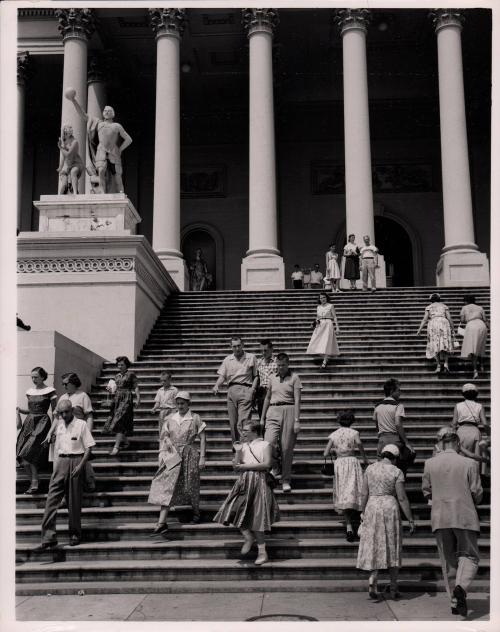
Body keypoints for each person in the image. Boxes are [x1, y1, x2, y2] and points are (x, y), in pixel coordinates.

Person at [422, 431, 483, 617]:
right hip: (464, 514)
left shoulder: (430, 463)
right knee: (470, 555)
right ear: (457, 443)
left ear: (441, 443)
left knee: (448, 560)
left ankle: (454, 600)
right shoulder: (470, 463)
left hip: (440, 516)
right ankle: (461, 587)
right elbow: (476, 493)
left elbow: (426, 490)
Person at [214, 420, 280, 566]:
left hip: (259, 482)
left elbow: (267, 464)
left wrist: (245, 466)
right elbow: (236, 467)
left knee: (258, 516)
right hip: (244, 482)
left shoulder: (265, 445)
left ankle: (263, 552)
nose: (242, 432)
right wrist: (238, 452)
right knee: (233, 509)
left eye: (245, 430)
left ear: (254, 431)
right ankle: (248, 537)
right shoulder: (242, 446)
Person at [356, 444, 415, 600]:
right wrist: (410, 518)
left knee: (375, 543)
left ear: (382, 455)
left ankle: (372, 579)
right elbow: (402, 497)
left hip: (372, 506)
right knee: (392, 544)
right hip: (390, 507)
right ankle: (394, 588)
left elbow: (364, 493)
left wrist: (362, 512)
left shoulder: (370, 469)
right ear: (394, 458)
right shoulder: (396, 471)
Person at [37, 400, 95, 548]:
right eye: (61, 413)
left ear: (72, 410)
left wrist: (81, 466)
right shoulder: (60, 425)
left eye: (66, 412)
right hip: (61, 462)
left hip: (76, 461)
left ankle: (75, 534)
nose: (63, 415)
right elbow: (57, 448)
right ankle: (48, 537)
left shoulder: (81, 424)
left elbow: (89, 447)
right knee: (51, 500)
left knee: (74, 502)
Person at [148, 391, 206, 531]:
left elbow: (203, 438)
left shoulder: (195, 418)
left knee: (191, 483)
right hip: (172, 455)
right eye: (178, 403)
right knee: (167, 484)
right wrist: (162, 454)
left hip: (189, 453)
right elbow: (164, 437)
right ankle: (161, 522)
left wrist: (203, 457)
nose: (180, 406)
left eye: (183, 403)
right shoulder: (169, 418)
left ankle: (196, 512)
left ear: (188, 404)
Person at [67, 90, 132, 194]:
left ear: (113, 114)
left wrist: (120, 149)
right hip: (101, 151)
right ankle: (102, 192)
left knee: (117, 175)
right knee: (101, 171)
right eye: (105, 111)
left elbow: (128, 139)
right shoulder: (98, 123)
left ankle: (121, 192)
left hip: (114, 152)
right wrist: (74, 100)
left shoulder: (117, 126)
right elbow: (83, 115)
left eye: (109, 111)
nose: (106, 112)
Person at [44, 372, 96, 492]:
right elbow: (57, 417)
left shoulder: (83, 396)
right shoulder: (62, 397)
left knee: (81, 457)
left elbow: (89, 416)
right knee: (60, 459)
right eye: (63, 384)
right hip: (62, 432)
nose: (64, 386)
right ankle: (63, 488)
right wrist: (50, 432)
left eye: (66, 383)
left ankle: (89, 480)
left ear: (73, 383)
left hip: (77, 430)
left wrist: (88, 432)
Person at [323, 410, 368, 541]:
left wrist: (335, 452)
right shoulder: (354, 433)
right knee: (356, 490)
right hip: (352, 462)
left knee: (343, 492)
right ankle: (361, 522)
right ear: (351, 421)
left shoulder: (334, 434)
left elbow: (325, 453)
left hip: (340, 464)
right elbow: (359, 443)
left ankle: (348, 526)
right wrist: (364, 458)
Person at [260, 352, 301, 493]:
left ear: (288, 364)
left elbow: (297, 401)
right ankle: (275, 466)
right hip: (273, 410)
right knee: (268, 443)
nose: (280, 368)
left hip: (289, 410)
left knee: (286, 448)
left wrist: (297, 420)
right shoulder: (272, 377)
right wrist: (262, 417)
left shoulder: (295, 378)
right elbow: (267, 398)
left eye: (283, 365)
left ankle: (286, 479)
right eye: (278, 365)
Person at [16, 366, 57, 494]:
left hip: (43, 422)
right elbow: (31, 409)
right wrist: (20, 410)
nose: (33, 379)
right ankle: (33, 481)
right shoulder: (30, 391)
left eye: (36, 377)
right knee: (21, 454)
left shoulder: (50, 391)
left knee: (29, 452)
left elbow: (55, 412)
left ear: (43, 377)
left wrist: (54, 430)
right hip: (29, 422)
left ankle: (34, 483)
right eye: (32, 377)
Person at [213, 337, 258, 443]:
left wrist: (252, 390)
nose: (237, 348)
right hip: (231, 391)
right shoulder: (228, 359)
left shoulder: (251, 357)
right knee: (233, 424)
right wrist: (216, 385)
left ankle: (244, 449)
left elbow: (256, 376)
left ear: (242, 345)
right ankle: (237, 449)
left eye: (239, 345)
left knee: (242, 422)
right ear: (231, 347)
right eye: (234, 346)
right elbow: (222, 376)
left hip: (245, 388)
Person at [373, 378, 414, 475]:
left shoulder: (377, 406)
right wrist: (406, 442)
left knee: (381, 469)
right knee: (398, 469)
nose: (400, 393)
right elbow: (398, 424)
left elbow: (376, 423)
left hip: (382, 440)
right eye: (398, 390)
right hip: (395, 439)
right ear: (392, 391)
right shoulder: (398, 406)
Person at [103, 356, 140, 455]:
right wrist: (110, 390)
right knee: (118, 421)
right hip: (117, 399)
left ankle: (116, 446)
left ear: (126, 365)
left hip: (127, 398)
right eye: (118, 364)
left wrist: (138, 398)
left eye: (122, 364)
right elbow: (114, 390)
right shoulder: (117, 376)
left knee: (119, 420)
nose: (120, 366)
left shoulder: (131, 374)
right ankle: (126, 441)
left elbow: (136, 387)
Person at [416, 293, 455, 373]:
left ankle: (438, 365)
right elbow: (449, 317)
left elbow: (425, 319)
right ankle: (446, 363)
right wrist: (453, 329)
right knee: (445, 342)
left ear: (431, 300)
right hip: (444, 323)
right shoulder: (444, 306)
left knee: (434, 343)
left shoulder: (429, 307)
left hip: (433, 323)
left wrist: (419, 329)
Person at [451, 383, 489, 464]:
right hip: (475, 431)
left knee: (461, 457)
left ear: (463, 394)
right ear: (476, 394)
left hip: (461, 431)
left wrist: (453, 434)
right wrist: (489, 434)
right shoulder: (480, 406)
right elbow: (485, 424)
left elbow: (454, 423)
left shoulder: (458, 406)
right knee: (476, 459)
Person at [306, 291, 340, 368]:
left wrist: (337, 327)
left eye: (324, 297)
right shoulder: (318, 307)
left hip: (328, 324)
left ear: (326, 298)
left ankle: (325, 360)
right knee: (317, 341)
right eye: (321, 298)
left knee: (327, 342)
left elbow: (334, 317)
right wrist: (314, 323)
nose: (322, 299)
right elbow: (317, 317)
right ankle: (326, 356)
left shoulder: (331, 306)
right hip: (320, 325)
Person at [459, 295, 488, 379]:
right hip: (481, 325)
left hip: (471, 326)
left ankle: (475, 371)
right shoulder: (480, 307)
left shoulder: (464, 307)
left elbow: (462, 320)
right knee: (480, 346)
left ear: (466, 301)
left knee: (472, 349)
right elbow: (485, 319)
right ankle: (482, 365)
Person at [57, 124, 84, 194]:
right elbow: (63, 156)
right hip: (69, 165)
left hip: (77, 163)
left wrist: (60, 147)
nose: (64, 135)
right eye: (64, 133)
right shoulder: (64, 142)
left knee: (73, 172)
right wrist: (60, 167)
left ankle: (75, 192)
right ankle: (65, 190)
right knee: (64, 178)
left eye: (66, 133)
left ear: (69, 133)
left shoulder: (75, 142)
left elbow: (68, 154)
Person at [151, 371, 178, 436]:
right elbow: (158, 402)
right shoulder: (160, 390)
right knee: (162, 428)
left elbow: (177, 402)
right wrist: (154, 408)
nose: (163, 382)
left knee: (170, 428)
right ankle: (162, 442)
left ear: (169, 380)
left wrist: (176, 411)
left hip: (172, 411)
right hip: (162, 411)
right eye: (161, 381)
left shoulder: (174, 390)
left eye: (165, 381)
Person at [255, 340, 278, 418]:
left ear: (272, 349)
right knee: (262, 417)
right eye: (261, 351)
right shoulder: (259, 362)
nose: (263, 353)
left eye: (265, 350)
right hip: (262, 393)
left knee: (273, 417)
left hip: (274, 393)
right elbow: (256, 378)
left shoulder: (277, 362)